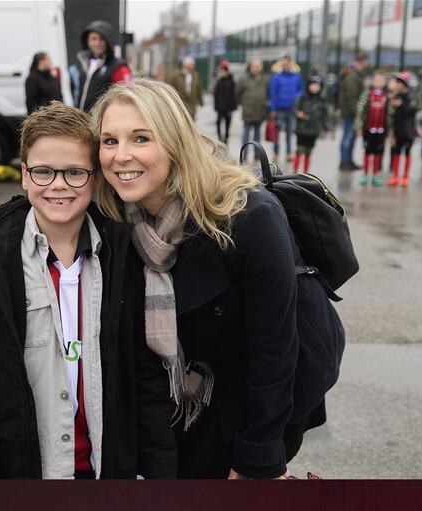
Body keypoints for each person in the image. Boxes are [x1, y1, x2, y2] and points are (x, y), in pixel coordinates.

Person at [0, 101, 177, 479]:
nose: (58, 185)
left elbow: (147, 383)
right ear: (24, 175)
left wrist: (159, 477)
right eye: (43, 172)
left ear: (95, 178)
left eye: (75, 172)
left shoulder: (123, 257)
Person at [89, 78, 300, 480]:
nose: (121, 156)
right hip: (162, 419)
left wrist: (259, 457)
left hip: (241, 414)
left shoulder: (247, 216)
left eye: (140, 138)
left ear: (174, 142)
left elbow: (275, 350)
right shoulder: (114, 219)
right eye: (109, 141)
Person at [74, 20, 133, 113]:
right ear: (88, 41)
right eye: (94, 39)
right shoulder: (84, 63)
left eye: (102, 39)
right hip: (83, 120)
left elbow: (126, 98)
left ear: (108, 41)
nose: (98, 43)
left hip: (102, 121)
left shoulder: (119, 67)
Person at [354, 71, 390, 186]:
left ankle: (375, 175)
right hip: (368, 129)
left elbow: (389, 114)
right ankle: (365, 174)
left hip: (381, 130)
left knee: (378, 153)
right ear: (372, 81)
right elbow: (360, 111)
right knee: (367, 151)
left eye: (381, 80)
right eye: (377, 80)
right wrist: (359, 126)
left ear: (385, 82)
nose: (379, 82)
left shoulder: (386, 96)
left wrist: (389, 130)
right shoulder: (367, 94)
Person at [291, 75, 333, 173]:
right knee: (299, 150)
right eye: (313, 85)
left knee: (308, 152)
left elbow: (324, 116)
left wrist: (327, 128)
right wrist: (299, 114)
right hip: (301, 129)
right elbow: (295, 109)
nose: (315, 87)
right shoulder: (302, 97)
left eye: (317, 85)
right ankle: (295, 171)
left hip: (314, 130)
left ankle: (305, 173)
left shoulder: (322, 100)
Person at [268, 55, 304, 162]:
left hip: (292, 109)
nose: (284, 65)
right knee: (276, 133)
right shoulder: (276, 77)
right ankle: (276, 153)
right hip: (280, 109)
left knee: (289, 132)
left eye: (286, 63)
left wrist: (296, 100)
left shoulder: (297, 77)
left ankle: (289, 153)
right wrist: (273, 109)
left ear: (290, 63)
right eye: (282, 63)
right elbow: (273, 93)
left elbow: (301, 90)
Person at [386, 71, 419, 186]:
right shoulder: (396, 96)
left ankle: (405, 176)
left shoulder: (412, 95)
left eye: (400, 82)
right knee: (396, 152)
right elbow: (392, 113)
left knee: (407, 153)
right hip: (397, 130)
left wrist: (401, 106)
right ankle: (395, 176)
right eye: (397, 82)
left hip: (408, 131)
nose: (398, 85)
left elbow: (412, 110)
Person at [338, 52, 369, 171]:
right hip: (351, 113)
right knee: (348, 137)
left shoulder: (355, 74)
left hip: (351, 111)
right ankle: (344, 161)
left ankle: (349, 160)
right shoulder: (352, 75)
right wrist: (358, 113)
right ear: (363, 61)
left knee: (351, 137)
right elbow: (352, 97)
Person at [235, 59, 270, 160]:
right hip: (248, 111)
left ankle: (257, 153)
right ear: (250, 67)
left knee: (258, 133)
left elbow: (268, 93)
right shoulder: (244, 79)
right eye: (255, 66)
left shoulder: (265, 79)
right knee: (246, 132)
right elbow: (237, 93)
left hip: (260, 111)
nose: (257, 68)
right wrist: (244, 103)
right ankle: (245, 152)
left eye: (259, 66)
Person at [212, 60, 237, 145]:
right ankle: (219, 137)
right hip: (220, 107)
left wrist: (233, 106)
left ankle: (226, 138)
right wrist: (216, 105)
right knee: (218, 122)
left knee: (227, 124)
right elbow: (216, 94)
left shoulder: (231, 81)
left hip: (228, 107)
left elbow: (234, 95)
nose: (222, 72)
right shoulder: (219, 81)